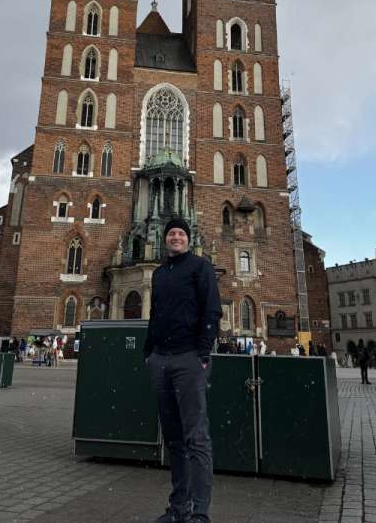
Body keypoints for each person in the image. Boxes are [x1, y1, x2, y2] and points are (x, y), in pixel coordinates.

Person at [143, 217, 222, 523]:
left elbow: (211, 308)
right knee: (173, 439)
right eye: (171, 233)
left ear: (188, 239)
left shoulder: (200, 267)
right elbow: (155, 313)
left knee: (196, 438)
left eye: (181, 233)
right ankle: (178, 508)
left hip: (189, 358)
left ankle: (200, 513)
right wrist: (148, 351)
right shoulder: (160, 273)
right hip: (161, 359)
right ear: (165, 240)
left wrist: (203, 352)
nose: (176, 237)